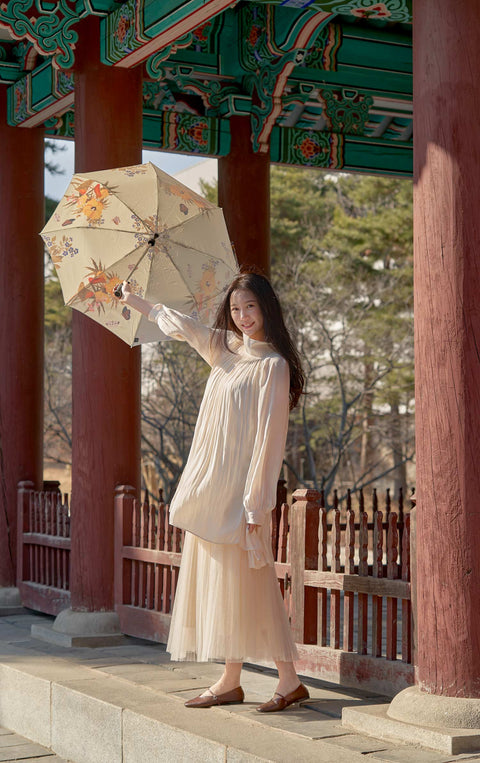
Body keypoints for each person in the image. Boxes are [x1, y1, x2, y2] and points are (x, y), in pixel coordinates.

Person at [119, 271, 309, 712]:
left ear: (267, 310)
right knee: (226, 584)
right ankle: (233, 679)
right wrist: (136, 301)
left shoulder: (272, 366)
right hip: (211, 488)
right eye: (237, 309)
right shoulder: (223, 349)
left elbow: (269, 440)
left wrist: (256, 504)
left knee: (254, 582)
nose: (243, 317)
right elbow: (182, 325)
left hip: (242, 496)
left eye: (251, 308)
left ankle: (286, 679)